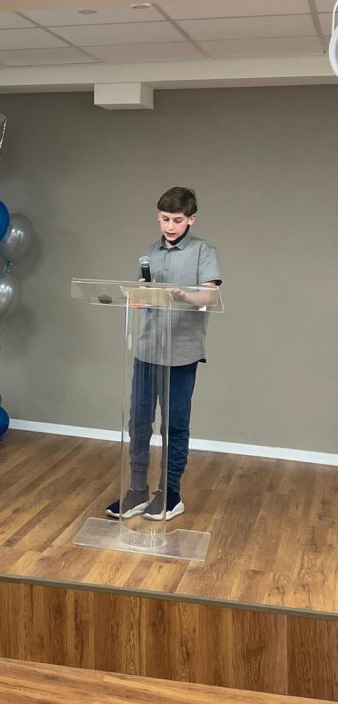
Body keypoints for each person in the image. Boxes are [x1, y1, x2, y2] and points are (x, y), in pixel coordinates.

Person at [106, 186, 221, 522]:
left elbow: (210, 297)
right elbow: (142, 298)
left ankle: (170, 495)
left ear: (191, 219)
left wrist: (182, 295)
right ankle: (137, 490)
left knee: (175, 425)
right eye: (164, 219)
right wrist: (138, 295)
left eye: (177, 220)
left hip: (182, 353)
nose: (170, 226)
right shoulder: (150, 252)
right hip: (147, 349)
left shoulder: (202, 251)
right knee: (139, 422)